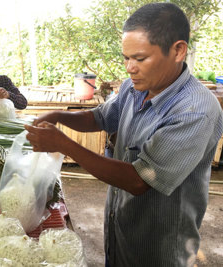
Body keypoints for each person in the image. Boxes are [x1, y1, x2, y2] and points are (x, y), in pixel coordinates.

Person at [25, 3, 223, 267]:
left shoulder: (194, 111)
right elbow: (100, 117)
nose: (130, 68)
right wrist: (59, 116)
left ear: (178, 51)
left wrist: (64, 144)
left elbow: (139, 180)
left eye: (139, 59)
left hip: (158, 249)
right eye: (126, 58)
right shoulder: (135, 86)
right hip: (121, 230)